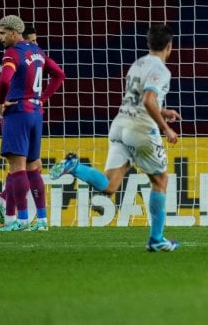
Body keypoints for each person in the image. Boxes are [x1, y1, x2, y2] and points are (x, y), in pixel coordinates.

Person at [49, 24, 181, 252]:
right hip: (141, 130)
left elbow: (140, 99)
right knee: (160, 181)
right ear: (169, 47)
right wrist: (165, 127)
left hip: (120, 125)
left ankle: (75, 167)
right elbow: (149, 100)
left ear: (148, 44)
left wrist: (163, 111)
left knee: (109, 186)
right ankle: (157, 239)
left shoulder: (137, 64)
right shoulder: (161, 69)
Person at [0, 15, 65, 231]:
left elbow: (4, 80)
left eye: (2, 32)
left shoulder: (12, 53)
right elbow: (60, 74)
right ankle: (41, 221)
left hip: (18, 112)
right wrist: (42, 98)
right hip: (35, 112)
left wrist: (1, 102)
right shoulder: (38, 51)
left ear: (14, 33)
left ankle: (21, 220)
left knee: (17, 167)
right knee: (34, 167)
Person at [0, 25, 43, 227]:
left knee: (20, 167)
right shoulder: (15, 56)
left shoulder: (22, 57)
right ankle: (14, 214)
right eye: (32, 40)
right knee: (25, 166)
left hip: (22, 111)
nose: (35, 44)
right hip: (16, 113)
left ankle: (8, 212)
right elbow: (5, 83)